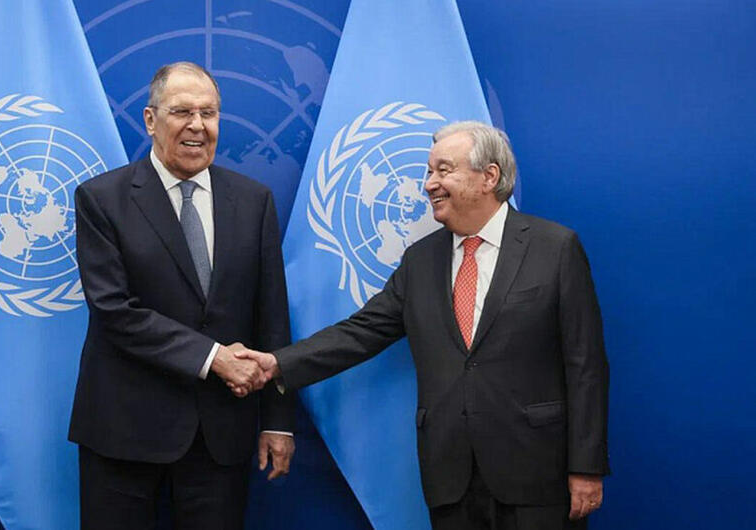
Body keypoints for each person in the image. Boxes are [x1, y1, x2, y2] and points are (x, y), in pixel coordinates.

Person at [235, 121, 609, 530]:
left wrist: (586, 466)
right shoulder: (420, 261)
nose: (429, 184)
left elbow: (586, 367)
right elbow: (360, 332)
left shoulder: (554, 248)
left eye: (443, 170)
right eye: (429, 172)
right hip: (452, 479)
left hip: (538, 475)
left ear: (489, 177)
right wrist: (277, 363)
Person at [68, 62, 293, 530]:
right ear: (151, 120)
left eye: (208, 113)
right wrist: (215, 358)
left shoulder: (254, 201)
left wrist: (276, 420)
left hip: (220, 436)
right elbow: (114, 310)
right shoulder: (102, 199)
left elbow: (271, 316)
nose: (197, 125)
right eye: (182, 112)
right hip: (123, 433)